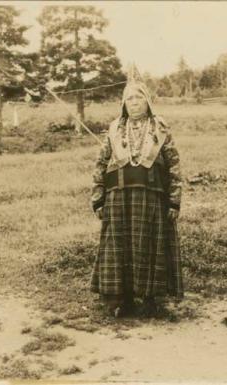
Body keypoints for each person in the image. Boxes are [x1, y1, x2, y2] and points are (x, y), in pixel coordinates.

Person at [90, 66, 183, 317]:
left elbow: (174, 166)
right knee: (119, 248)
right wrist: (98, 198)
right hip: (118, 198)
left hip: (151, 197)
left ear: (148, 101)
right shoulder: (114, 130)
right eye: (129, 98)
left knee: (149, 247)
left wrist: (174, 202)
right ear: (124, 103)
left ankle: (152, 300)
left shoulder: (160, 129)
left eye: (139, 97)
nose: (134, 103)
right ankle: (122, 300)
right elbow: (100, 165)